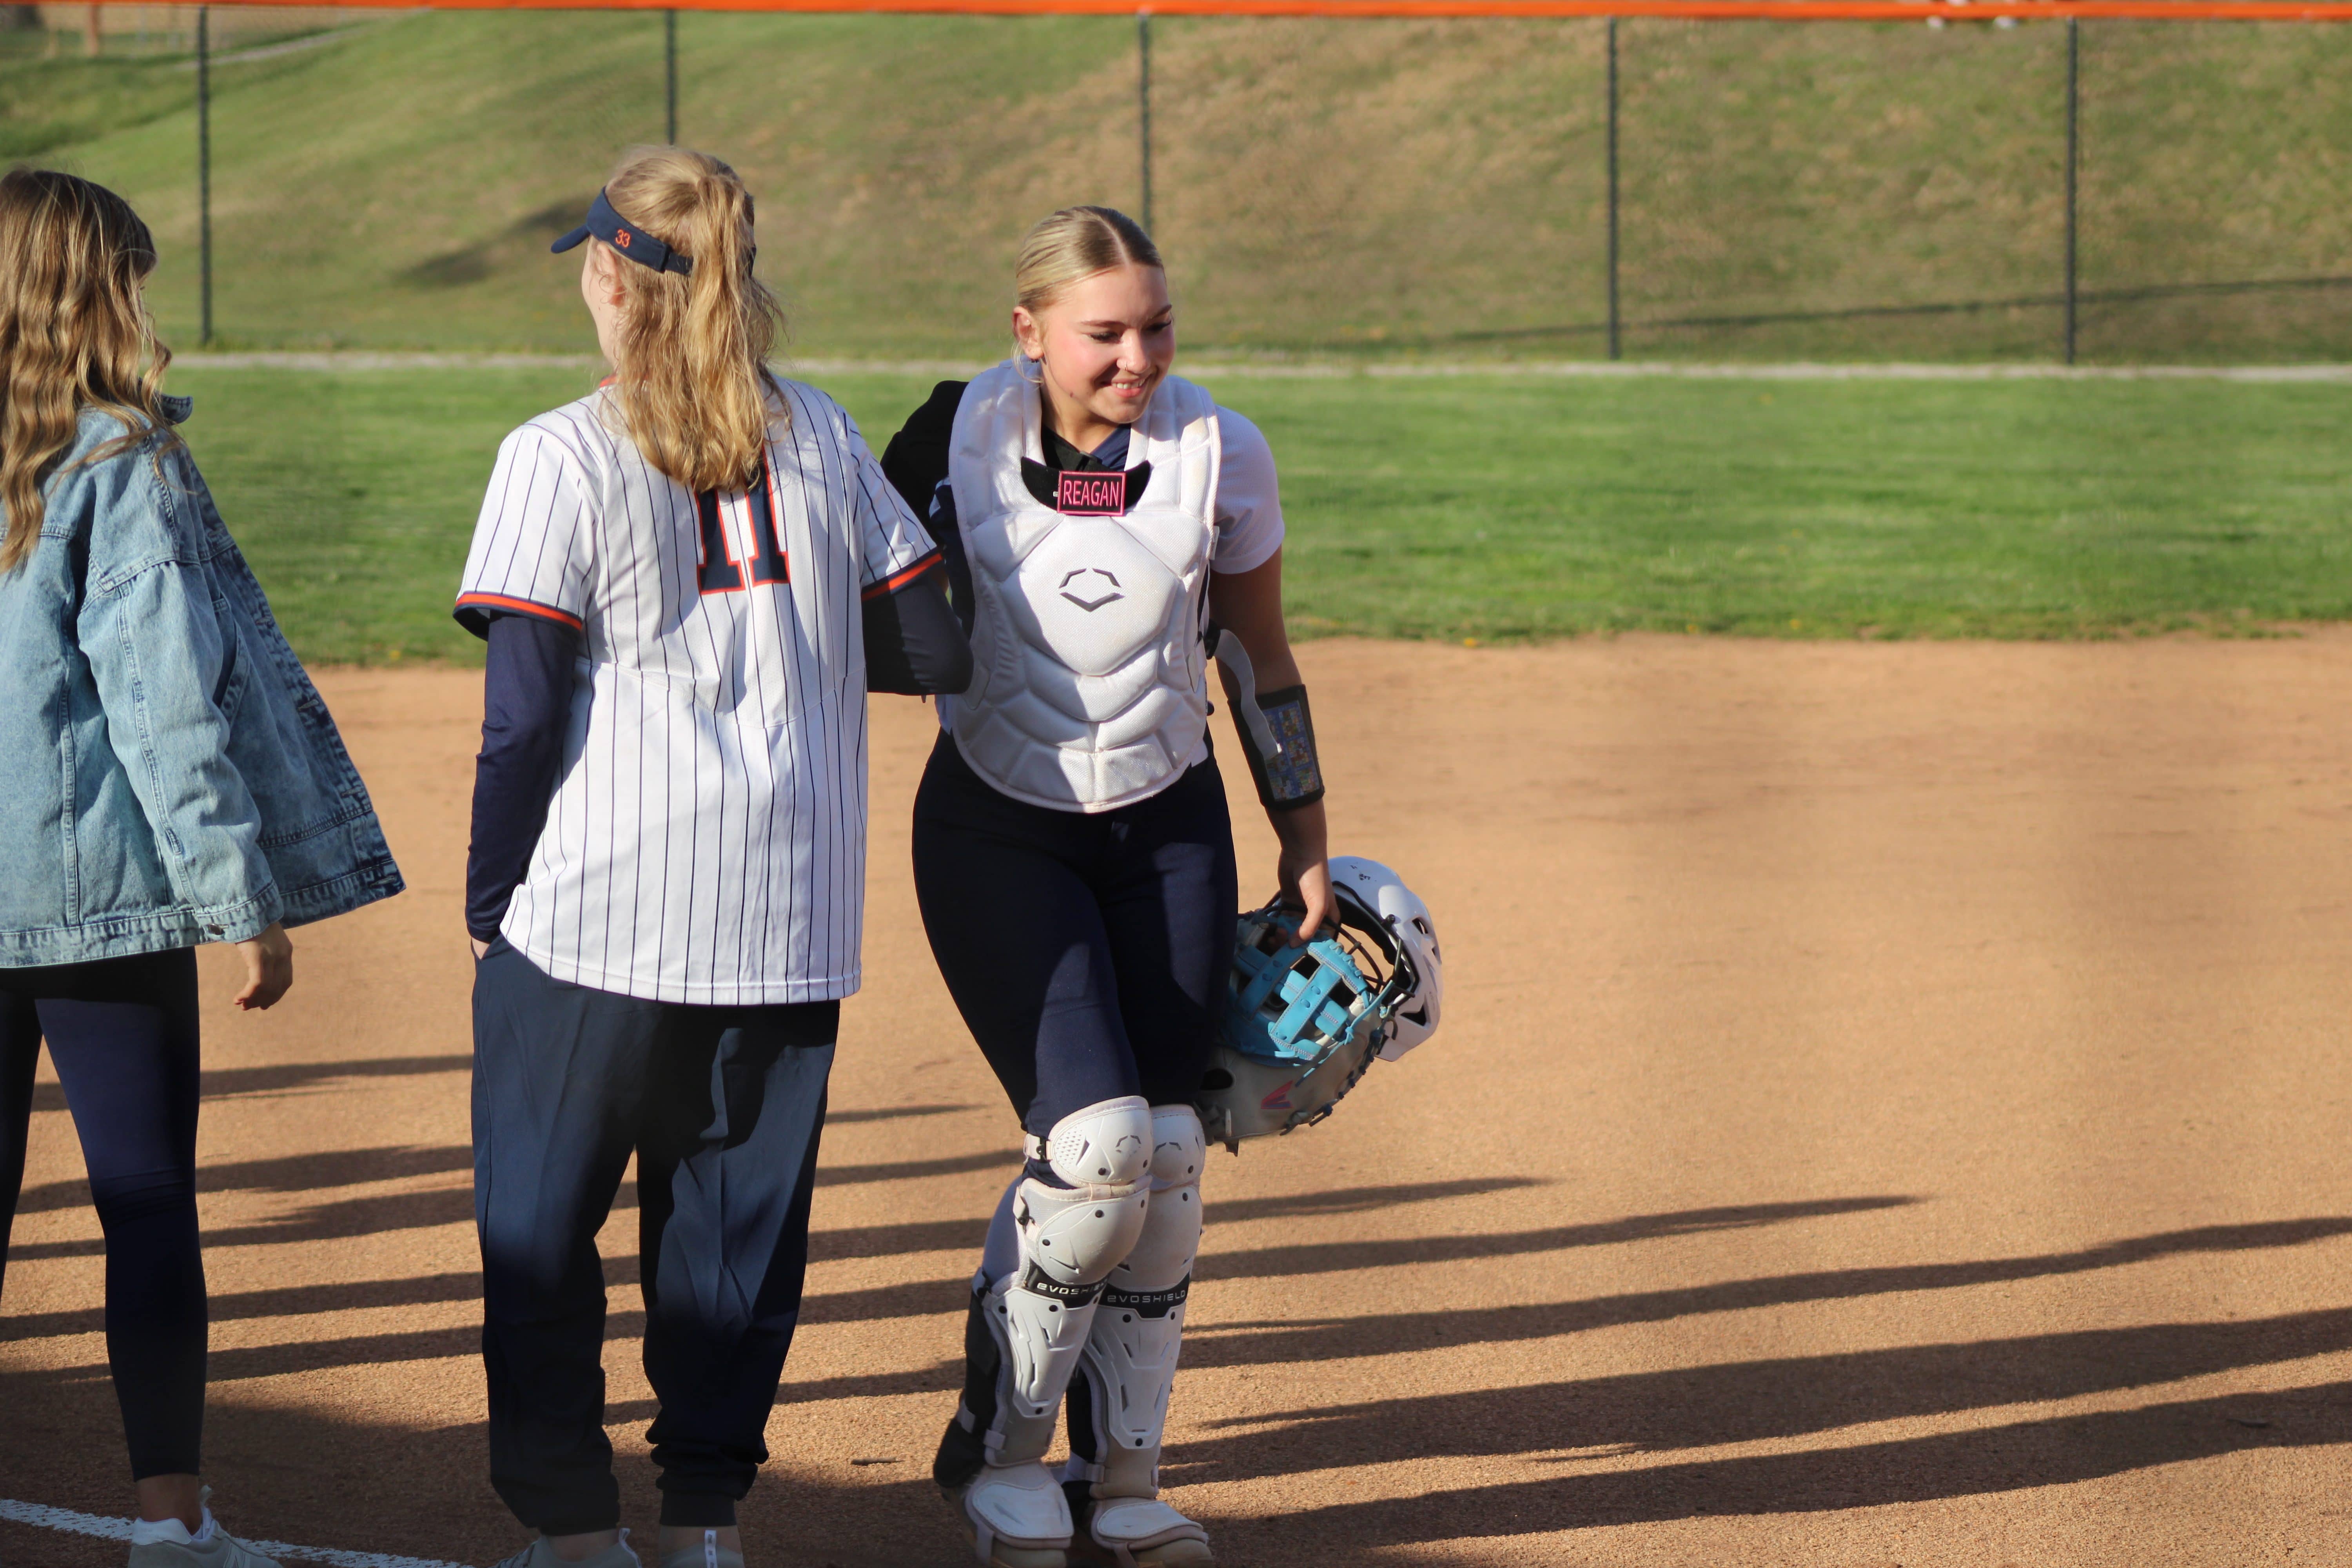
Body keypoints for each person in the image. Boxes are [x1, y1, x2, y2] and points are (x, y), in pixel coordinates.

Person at [456, 147, 967, 1568]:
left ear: (613, 280)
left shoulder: (559, 451)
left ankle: (574, 1534)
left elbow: (521, 718)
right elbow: (935, 647)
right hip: (788, 918)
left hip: (600, 918)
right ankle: (701, 1530)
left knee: (539, 1234)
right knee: (733, 1246)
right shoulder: (825, 434)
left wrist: (492, 898)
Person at [880, 205, 1332, 1568]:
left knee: (1173, 1158)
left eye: (1158, 328)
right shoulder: (948, 439)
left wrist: (1305, 836)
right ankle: (1001, 1455)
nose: (1138, 358)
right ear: (1028, 332)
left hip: (1170, 826)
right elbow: (853, 625)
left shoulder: (1221, 449)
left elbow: (1259, 657)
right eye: (1105, 334)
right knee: (1097, 1152)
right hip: (997, 829)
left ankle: (1125, 1477)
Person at [0, 168, 405, 1568]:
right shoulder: (117, 458)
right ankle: (169, 1524)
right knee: (143, 1201)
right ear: (91, 290)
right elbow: (163, 703)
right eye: (132, 276)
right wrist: (242, 901)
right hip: (100, 900)